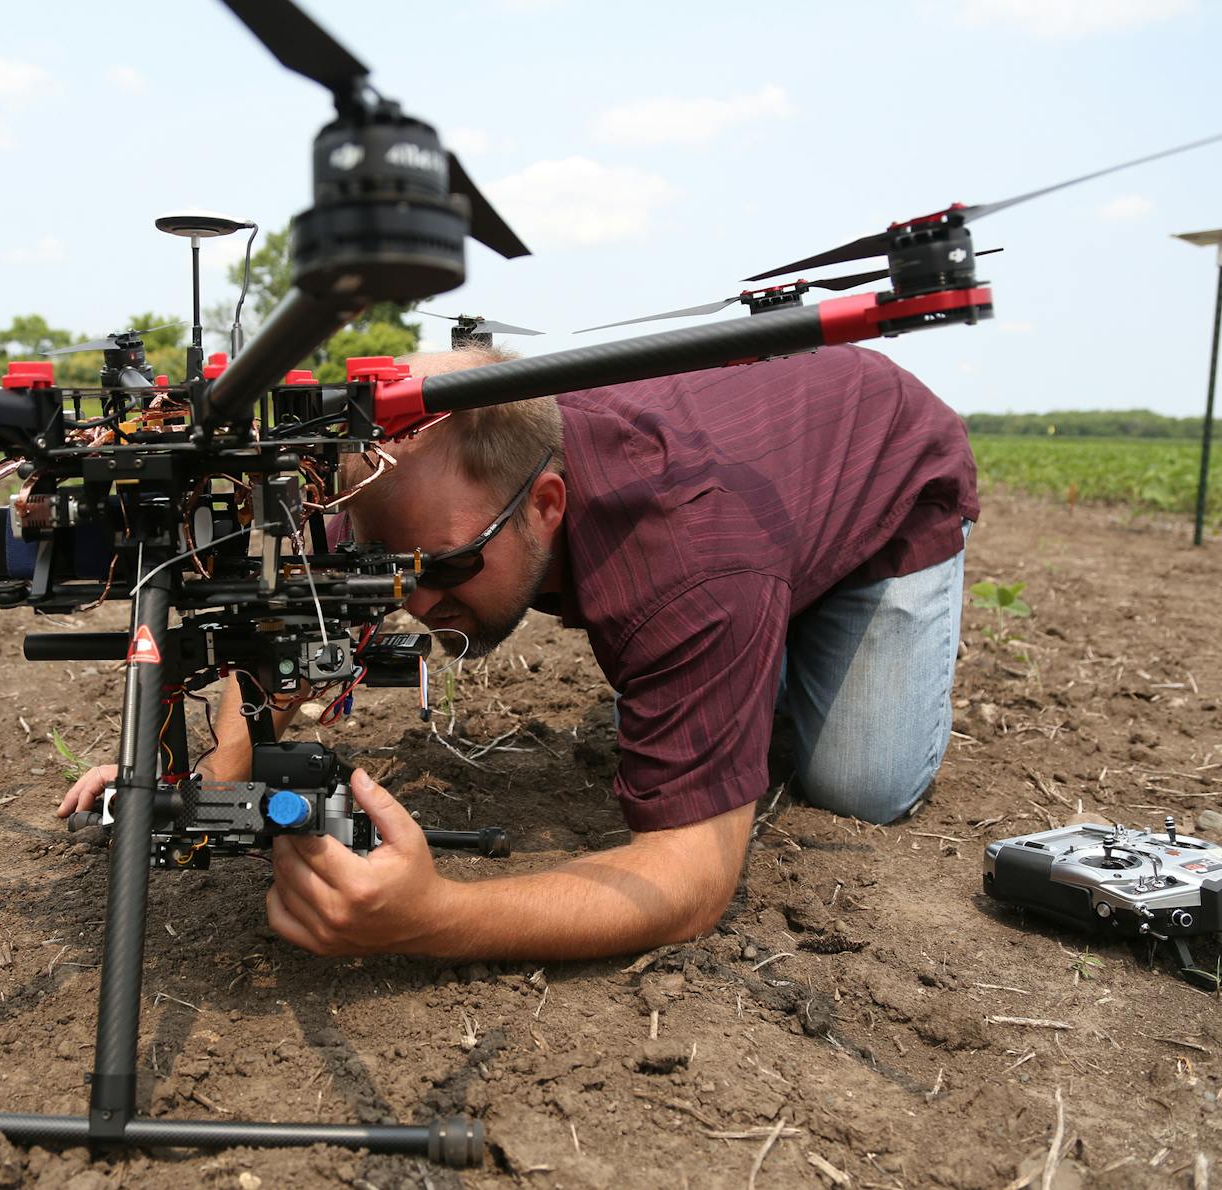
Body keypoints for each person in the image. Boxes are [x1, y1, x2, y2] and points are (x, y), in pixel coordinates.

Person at [62, 344, 978, 961]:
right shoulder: (414, 491)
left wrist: (436, 918)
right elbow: (284, 633)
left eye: (448, 566)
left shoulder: (687, 565)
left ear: (545, 505)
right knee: (706, 652)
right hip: (742, 541)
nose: (414, 604)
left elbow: (691, 883)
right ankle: (752, 648)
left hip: (885, 492)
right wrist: (187, 776)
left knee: (859, 786)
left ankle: (781, 626)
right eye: (390, 566)